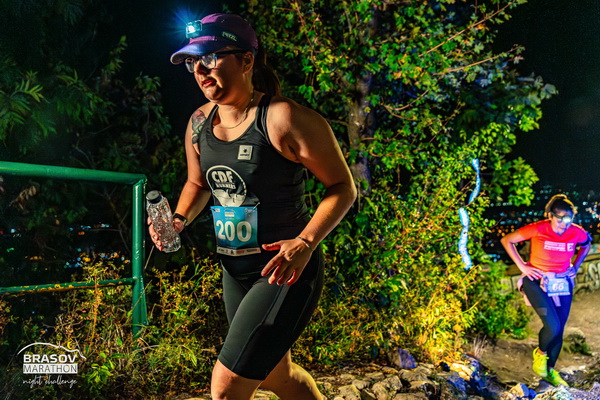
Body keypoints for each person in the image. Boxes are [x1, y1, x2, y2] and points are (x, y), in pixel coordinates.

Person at [149, 13, 357, 400]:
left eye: (211, 57)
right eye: (193, 62)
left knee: (226, 386)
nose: (200, 69)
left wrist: (306, 242)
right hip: (235, 268)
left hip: (285, 269)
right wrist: (178, 220)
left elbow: (343, 187)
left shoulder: (283, 118)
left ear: (246, 61)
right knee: (278, 376)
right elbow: (198, 183)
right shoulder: (199, 122)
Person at [500, 194, 591, 387]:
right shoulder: (538, 228)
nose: (564, 224)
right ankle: (540, 354)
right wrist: (522, 267)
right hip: (536, 280)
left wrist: (575, 266)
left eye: (568, 219)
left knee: (559, 330)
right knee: (552, 326)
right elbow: (507, 240)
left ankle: (549, 372)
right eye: (560, 218)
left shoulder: (576, 232)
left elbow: (586, 244)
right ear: (550, 215)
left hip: (562, 282)